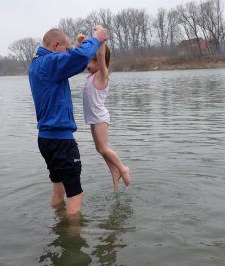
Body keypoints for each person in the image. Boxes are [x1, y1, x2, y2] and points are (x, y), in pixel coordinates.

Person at [29, 26, 108, 216]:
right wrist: (96, 38)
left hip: (46, 140)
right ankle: (72, 238)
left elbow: (74, 62)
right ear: (55, 45)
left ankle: (59, 228)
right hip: (61, 141)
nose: (67, 53)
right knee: (76, 194)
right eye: (65, 49)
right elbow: (78, 59)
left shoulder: (38, 64)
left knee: (59, 188)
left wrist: (77, 46)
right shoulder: (50, 64)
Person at [75, 35, 131, 191]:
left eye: (92, 61)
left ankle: (122, 168)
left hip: (100, 117)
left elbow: (100, 56)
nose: (88, 64)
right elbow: (77, 57)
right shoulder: (91, 76)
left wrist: (101, 40)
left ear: (101, 62)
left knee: (104, 148)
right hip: (94, 118)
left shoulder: (101, 76)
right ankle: (114, 171)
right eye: (88, 60)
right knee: (99, 149)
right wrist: (80, 44)